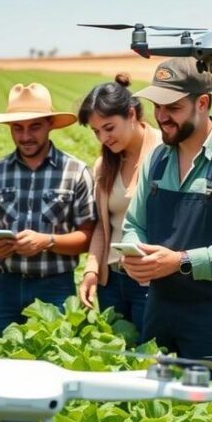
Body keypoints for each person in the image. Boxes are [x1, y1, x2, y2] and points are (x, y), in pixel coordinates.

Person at [121, 57, 212, 402]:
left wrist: (183, 260)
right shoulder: (157, 159)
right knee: (155, 407)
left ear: (202, 103)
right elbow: (135, 224)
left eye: (172, 107)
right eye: (157, 106)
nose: (161, 116)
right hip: (159, 305)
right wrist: (135, 253)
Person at [0, 83, 97, 338]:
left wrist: (47, 242)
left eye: (35, 126)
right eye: (18, 128)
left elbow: (87, 236)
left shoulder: (75, 172)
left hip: (55, 284)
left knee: (54, 358)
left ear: (50, 124)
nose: (26, 136)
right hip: (5, 285)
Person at [77, 73, 161, 334]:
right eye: (96, 132)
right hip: (112, 281)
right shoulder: (105, 165)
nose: (103, 138)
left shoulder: (165, 152)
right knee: (118, 357)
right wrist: (91, 270)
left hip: (151, 280)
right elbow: (104, 226)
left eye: (109, 128)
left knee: (150, 358)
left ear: (131, 114)